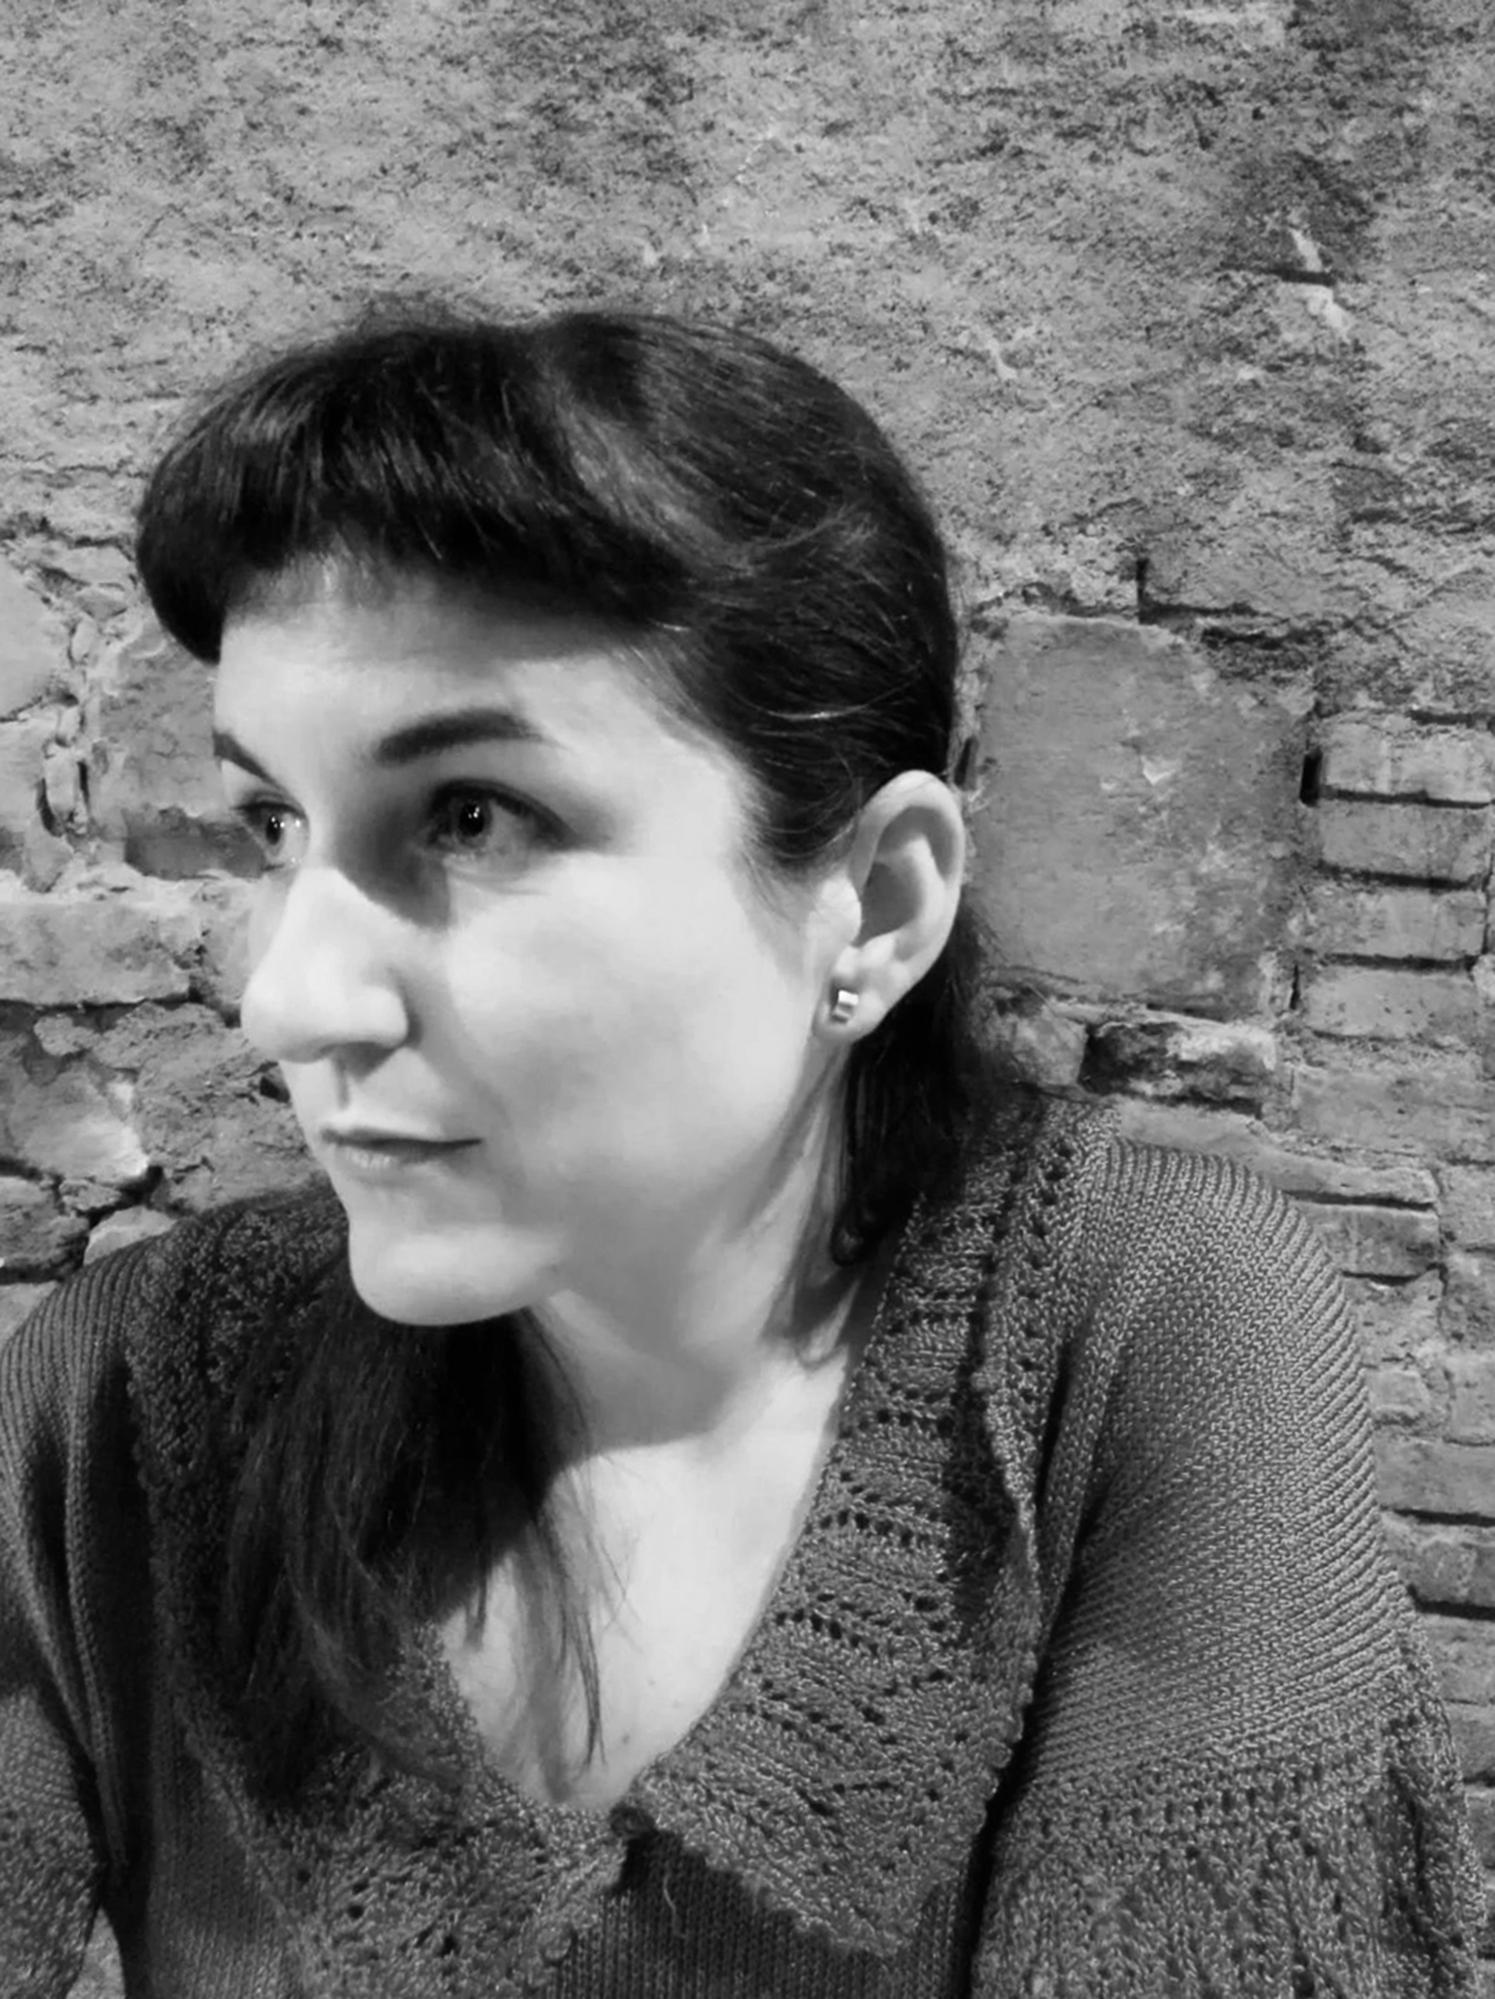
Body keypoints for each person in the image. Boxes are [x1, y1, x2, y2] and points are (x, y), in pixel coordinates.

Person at [0, 307, 1482, 1998]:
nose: (286, 997)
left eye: (471, 817)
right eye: (278, 824)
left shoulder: (1140, 1340)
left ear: (878, 902)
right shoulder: (122, 1408)